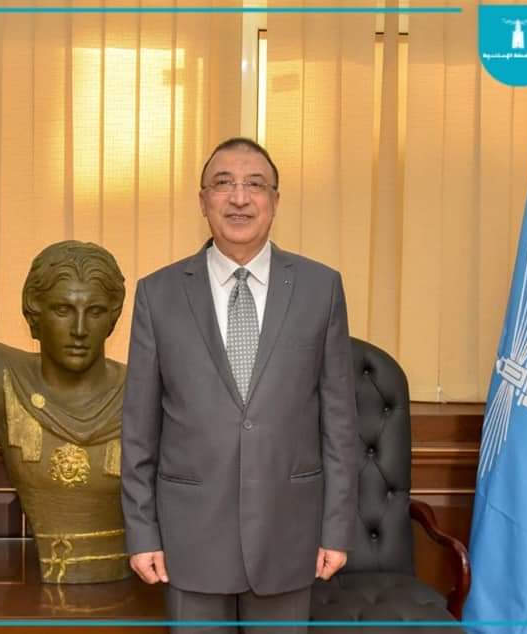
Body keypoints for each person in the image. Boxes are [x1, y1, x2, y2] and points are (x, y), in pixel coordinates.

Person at [121, 137, 358, 633]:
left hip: (289, 534)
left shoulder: (320, 288)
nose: (239, 198)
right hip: (189, 538)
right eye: (223, 184)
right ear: (202, 199)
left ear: (275, 200)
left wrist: (336, 529)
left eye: (255, 185)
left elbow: (339, 423)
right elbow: (139, 431)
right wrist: (143, 533)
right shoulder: (158, 294)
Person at [0, 241, 129, 584]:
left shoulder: (140, 390)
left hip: (122, 576)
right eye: (63, 310)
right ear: (34, 315)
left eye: (95, 312)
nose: (79, 330)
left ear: (113, 319)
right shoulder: (5, 379)